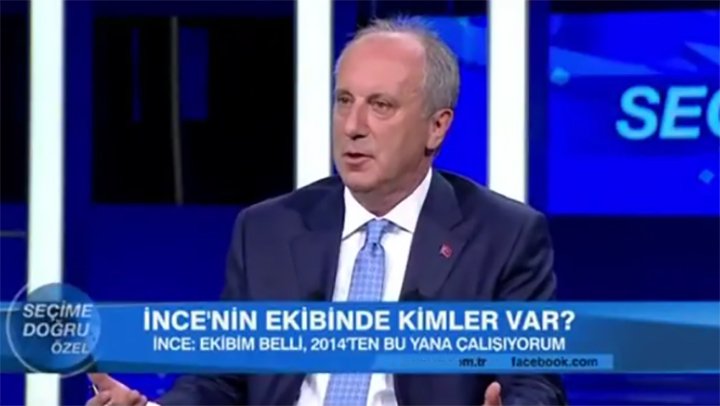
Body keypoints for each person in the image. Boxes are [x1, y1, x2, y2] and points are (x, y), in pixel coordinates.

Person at [88, 16, 567, 406]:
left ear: (436, 127)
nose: (353, 125)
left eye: (381, 105)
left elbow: (534, 382)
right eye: (344, 101)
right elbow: (223, 378)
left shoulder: (503, 236)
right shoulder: (268, 229)